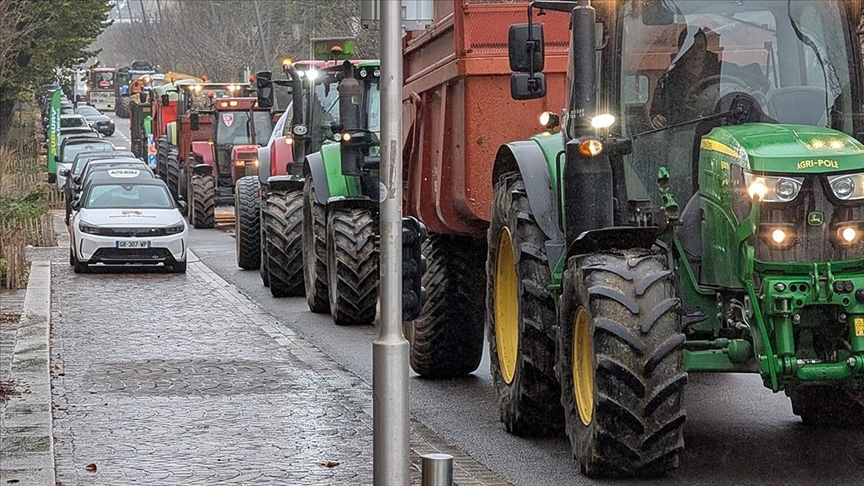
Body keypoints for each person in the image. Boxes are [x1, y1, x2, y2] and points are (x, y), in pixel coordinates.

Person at [650, 27, 721, 128]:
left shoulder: (722, 71)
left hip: (720, 129)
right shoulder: (668, 80)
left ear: (706, 48)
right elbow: (656, 112)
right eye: (690, 48)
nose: (695, 52)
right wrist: (656, 118)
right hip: (682, 133)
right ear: (681, 50)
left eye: (700, 47)